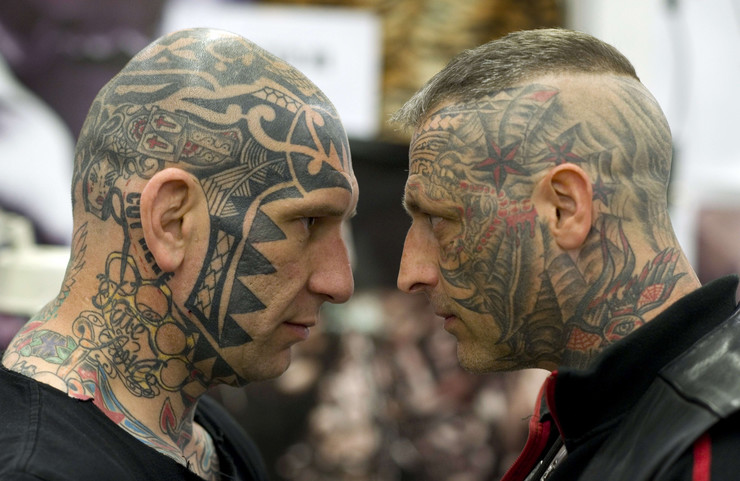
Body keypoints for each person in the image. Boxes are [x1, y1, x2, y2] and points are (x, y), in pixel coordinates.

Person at [0, 27, 358, 481]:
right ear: (171, 221)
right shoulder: (37, 471)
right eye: (307, 222)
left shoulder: (214, 441)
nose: (339, 283)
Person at [393, 28, 740, 481]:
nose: (410, 274)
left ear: (565, 208)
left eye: (440, 219)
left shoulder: (714, 450)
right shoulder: (597, 414)